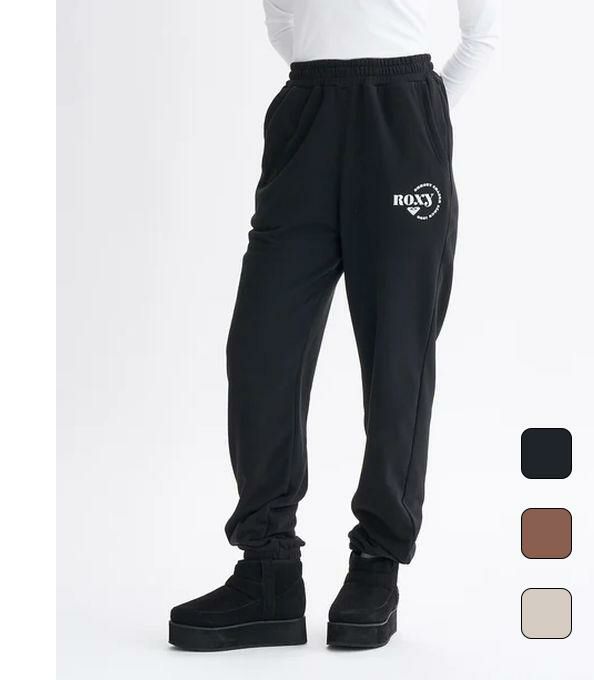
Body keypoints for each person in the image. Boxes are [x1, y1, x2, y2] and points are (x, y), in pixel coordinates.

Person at [169, 0, 499, 651]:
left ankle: (377, 561)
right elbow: (282, 22)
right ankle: (268, 571)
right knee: (261, 349)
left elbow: (482, 34)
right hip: (307, 112)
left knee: (397, 355)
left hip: (403, 116)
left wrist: (422, 113)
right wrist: (330, 83)